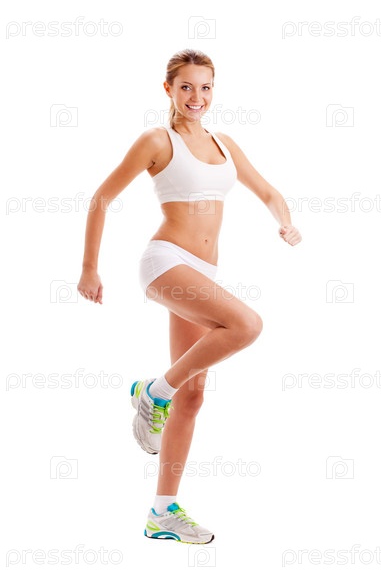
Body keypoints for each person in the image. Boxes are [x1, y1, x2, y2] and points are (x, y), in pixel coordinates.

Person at [77, 48, 302, 545]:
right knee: (247, 324)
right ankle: (153, 392)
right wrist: (90, 267)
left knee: (194, 394)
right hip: (165, 261)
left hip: (203, 271)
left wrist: (285, 223)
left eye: (205, 87)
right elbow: (101, 198)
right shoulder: (157, 140)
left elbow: (268, 192)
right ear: (168, 89)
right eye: (186, 87)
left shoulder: (224, 143)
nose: (196, 96)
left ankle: (162, 512)